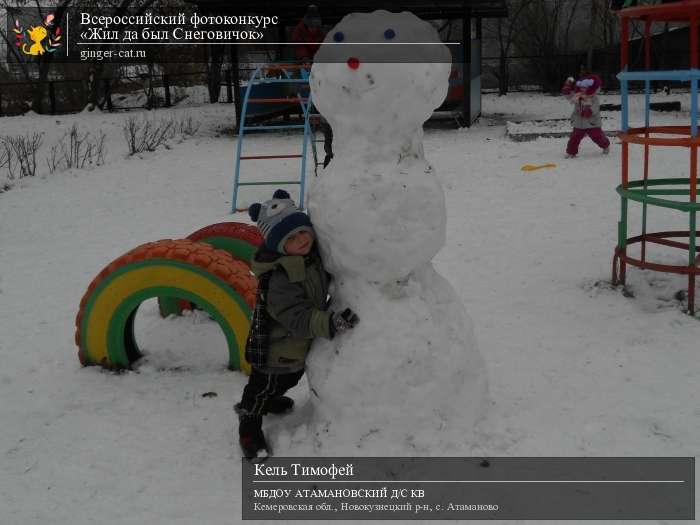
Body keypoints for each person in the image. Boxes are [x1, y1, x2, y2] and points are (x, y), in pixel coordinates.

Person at [236, 189, 359, 460]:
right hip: (273, 350)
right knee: (262, 387)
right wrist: (329, 322)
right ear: (279, 246)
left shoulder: (309, 257)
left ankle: (269, 397)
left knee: (289, 379)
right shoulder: (280, 278)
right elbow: (296, 315)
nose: (301, 239)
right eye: (291, 238)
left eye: (303, 231)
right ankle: (249, 423)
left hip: (293, 349)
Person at [291, 5, 334, 168]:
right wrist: (304, 59)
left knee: (328, 121)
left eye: (317, 26)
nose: (315, 29)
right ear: (307, 23)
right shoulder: (299, 31)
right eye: (312, 26)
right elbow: (299, 46)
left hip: (318, 62)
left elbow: (325, 45)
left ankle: (331, 153)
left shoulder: (321, 32)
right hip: (305, 62)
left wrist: (322, 58)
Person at [561, 73, 610, 158]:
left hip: (592, 123)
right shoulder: (577, 96)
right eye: (582, 87)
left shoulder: (594, 98)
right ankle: (571, 152)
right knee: (574, 138)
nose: (583, 89)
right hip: (579, 122)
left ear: (591, 88)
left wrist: (589, 111)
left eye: (585, 88)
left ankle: (605, 145)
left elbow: (595, 107)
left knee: (597, 137)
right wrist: (567, 88)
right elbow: (569, 96)